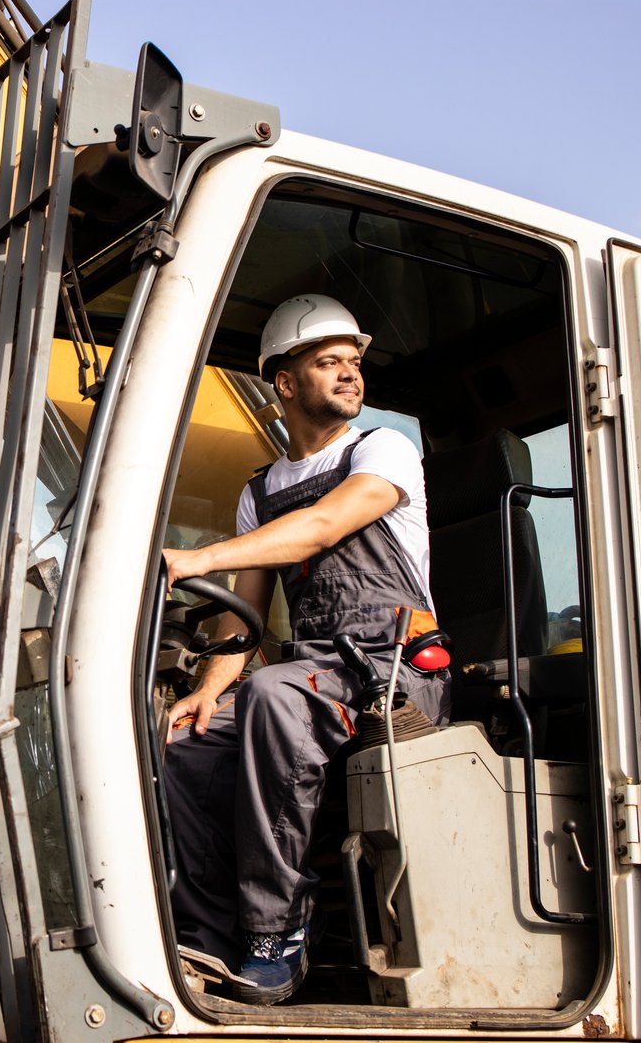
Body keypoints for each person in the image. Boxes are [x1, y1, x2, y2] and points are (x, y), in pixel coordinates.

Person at [161, 293, 449, 1004]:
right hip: (315, 673)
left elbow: (321, 527)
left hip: (393, 671)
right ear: (285, 383)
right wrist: (205, 690)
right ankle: (206, 936)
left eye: (354, 362)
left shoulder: (380, 451)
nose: (350, 374)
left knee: (275, 694)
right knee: (190, 742)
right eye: (330, 362)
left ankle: (277, 932)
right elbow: (244, 615)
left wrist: (192, 560)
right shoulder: (259, 492)